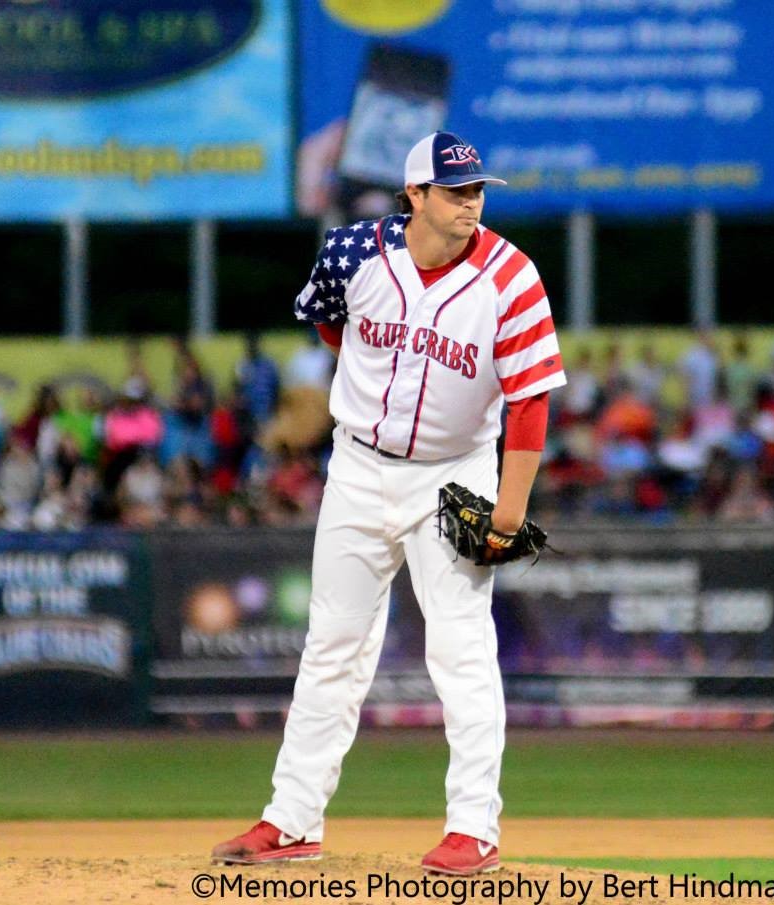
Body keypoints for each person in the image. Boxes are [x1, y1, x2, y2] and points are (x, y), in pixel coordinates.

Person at [212, 132, 566, 874]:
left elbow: (530, 402)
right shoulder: (353, 253)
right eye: (454, 190)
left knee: (461, 648)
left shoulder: (511, 277)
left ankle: (474, 827)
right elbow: (328, 318)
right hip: (359, 466)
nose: (471, 202)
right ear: (414, 195)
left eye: (477, 190)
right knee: (331, 646)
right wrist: (367, 388)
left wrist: (506, 511)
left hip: (455, 473)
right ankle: (292, 819)